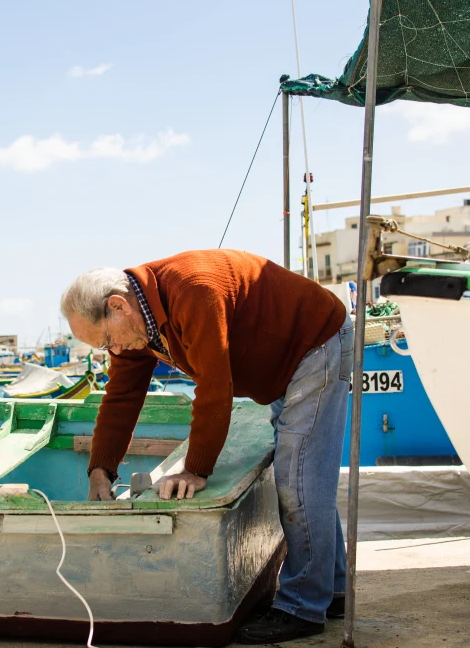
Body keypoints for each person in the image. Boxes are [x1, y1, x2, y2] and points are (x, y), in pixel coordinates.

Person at [60, 249, 353, 645]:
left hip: (314, 344)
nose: (112, 351)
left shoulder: (192, 289)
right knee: (308, 476)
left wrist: (195, 468)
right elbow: (121, 396)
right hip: (285, 362)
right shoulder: (135, 328)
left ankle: (302, 606)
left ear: (117, 305)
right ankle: (330, 592)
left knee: (298, 479)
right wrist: (101, 469)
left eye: (107, 340)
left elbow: (215, 385)